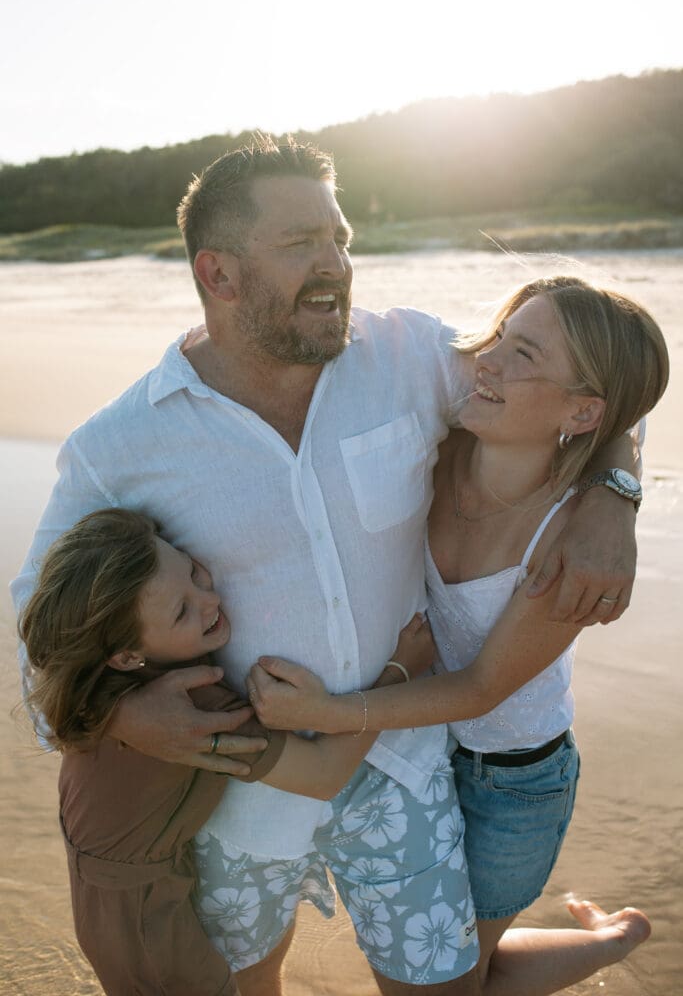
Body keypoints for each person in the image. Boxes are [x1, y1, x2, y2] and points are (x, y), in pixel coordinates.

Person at [12, 138, 643, 996]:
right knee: (248, 984)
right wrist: (124, 720)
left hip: (405, 769)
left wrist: (614, 493)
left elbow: (579, 392)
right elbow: (38, 634)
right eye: (301, 243)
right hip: (243, 787)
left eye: (341, 238)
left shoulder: (410, 356)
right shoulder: (118, 446)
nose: (336, 264)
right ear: (220, 274)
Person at [248, 275, 667, 995]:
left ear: (579, 410)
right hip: (422, 748)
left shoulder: (566, 544)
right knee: (450, 972)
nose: (487, 360)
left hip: (514, 787)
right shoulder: (441, 449)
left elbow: (478, 689)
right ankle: (607, 935)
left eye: (522, 354)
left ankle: (613, 939)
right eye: (498, 336)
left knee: (465, 977)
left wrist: (328, 713)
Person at [19, 507, 433, 996]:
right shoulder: (192, 707)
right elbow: (324, 774)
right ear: (128, 657)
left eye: (194, 572)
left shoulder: (96, 689)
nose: (210, 598)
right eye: (181, 610)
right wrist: (399, 671)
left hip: (106, 892)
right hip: (143, 922)